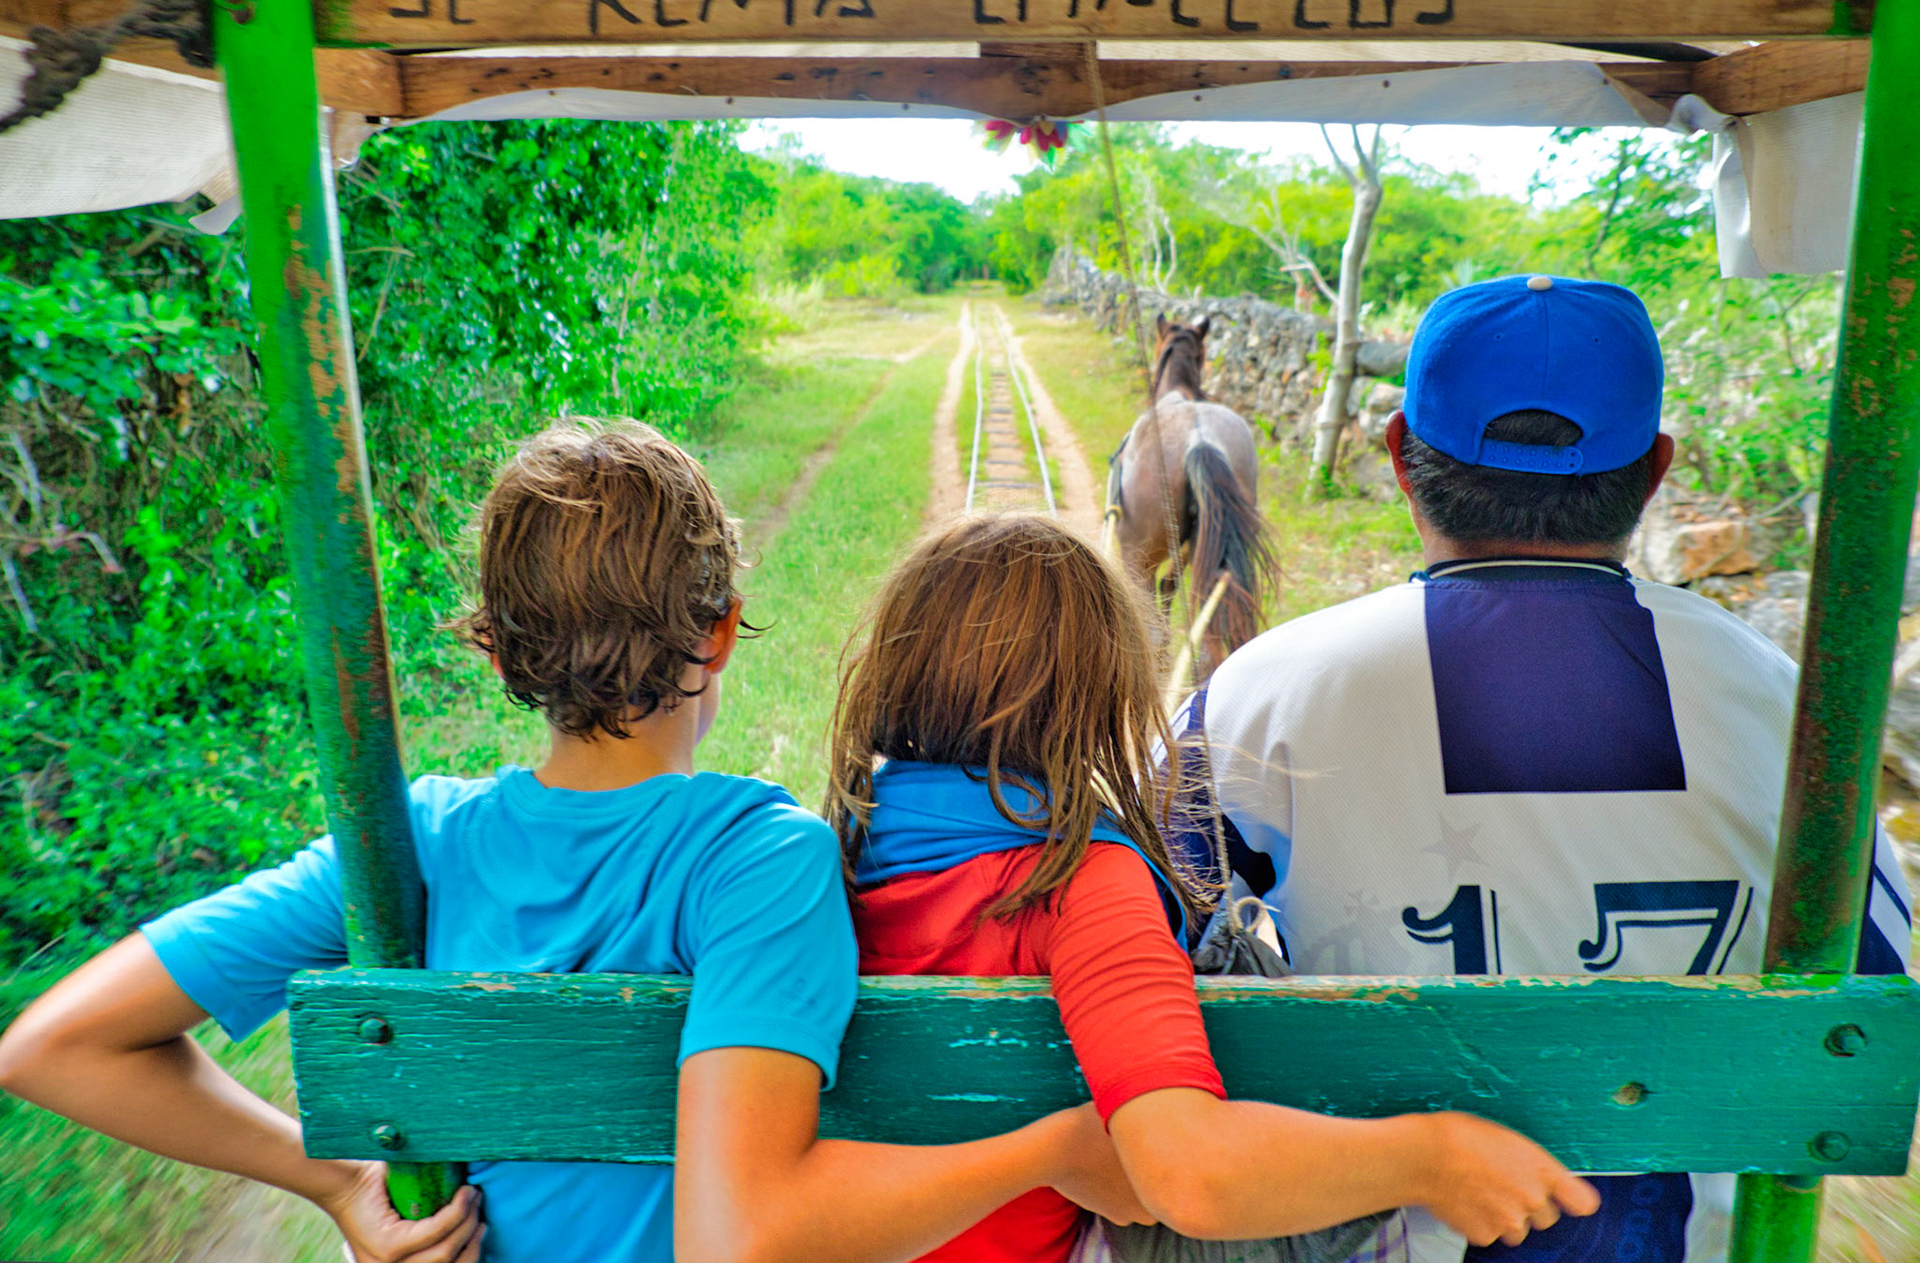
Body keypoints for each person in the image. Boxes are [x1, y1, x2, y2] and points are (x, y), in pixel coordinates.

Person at [0, 420, 1142, 1263]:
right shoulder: (759, 859)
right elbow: (741, 1238)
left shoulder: (409, 845)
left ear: (495, 652)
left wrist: (340, 1182)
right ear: (723, 632)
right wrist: (1051, 1149)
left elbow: (51, 1045)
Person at [1177, 274, 1915, 1263]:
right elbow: (1873, 1000)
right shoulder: (1790, 706)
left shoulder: (1257, 696)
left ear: (1399, 454)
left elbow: (1143, 935)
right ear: (1654, 471)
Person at [825, 511, 1600, 1263]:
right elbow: (1186, 1176)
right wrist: (1432, 1156)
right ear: (1102, 695)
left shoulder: (828, 860)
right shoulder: (1078, 884)